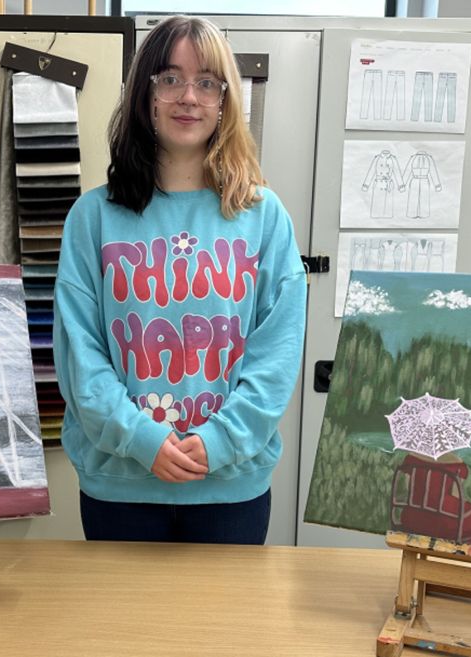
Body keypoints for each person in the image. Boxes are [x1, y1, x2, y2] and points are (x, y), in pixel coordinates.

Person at [53, 16, 307, 544]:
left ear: (225, 101)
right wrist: (141, 439)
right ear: (145, 94)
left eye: (207, 82)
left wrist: (221, 441)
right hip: (119, 486)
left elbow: (276, 356)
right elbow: (81, 355)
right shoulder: (92, 218)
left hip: (230, 489)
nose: (189, 97)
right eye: (170, 78)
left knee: (223, 607)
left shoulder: (265, 217)